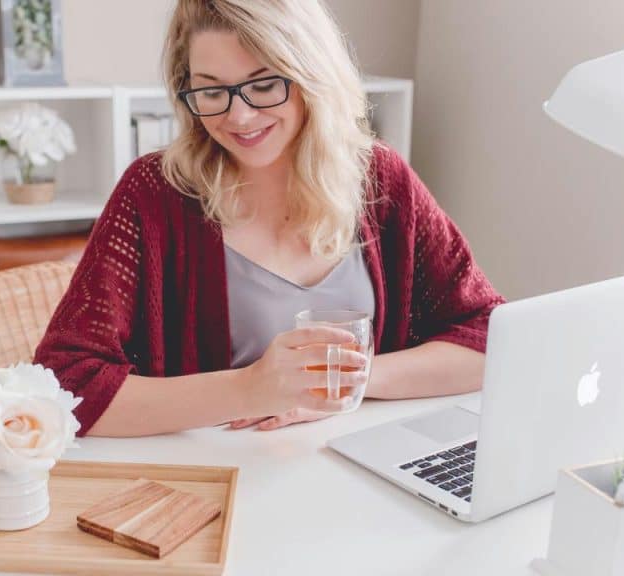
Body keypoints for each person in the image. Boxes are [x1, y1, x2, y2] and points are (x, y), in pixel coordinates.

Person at [34, 0, 504, 437]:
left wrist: (340, 382)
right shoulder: (154, 194)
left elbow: (491, 338)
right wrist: (248, 388)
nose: (239, 116)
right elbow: (65, 383)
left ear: (312, 76)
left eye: (263, 85)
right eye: (212, 90)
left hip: (357, 473)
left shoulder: (381, 180)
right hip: (208, 488)